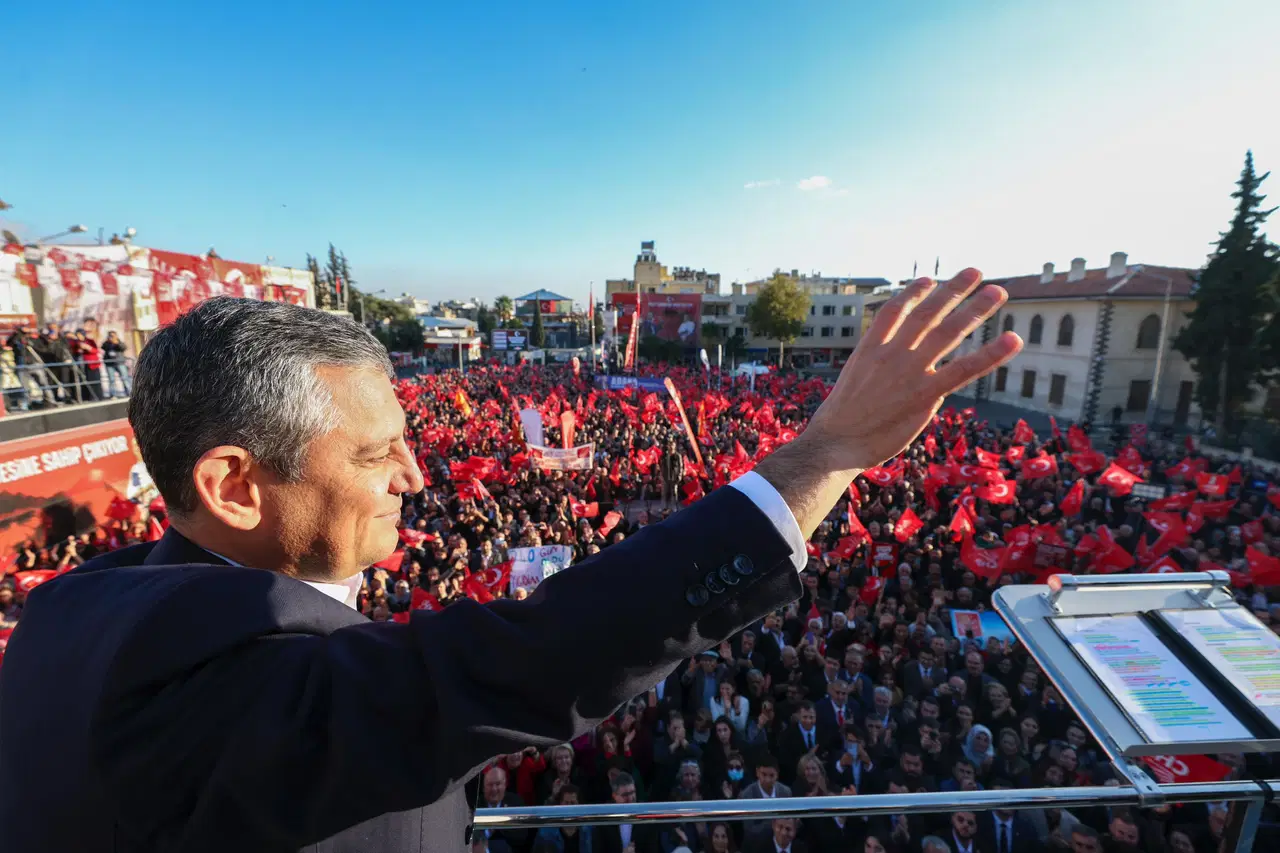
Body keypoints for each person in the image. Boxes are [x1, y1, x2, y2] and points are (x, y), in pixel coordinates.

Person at [0, 270, 1019, 852]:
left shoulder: (75, 609)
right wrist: (824, 453)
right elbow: (546, 650)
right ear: (233, 485)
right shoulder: (216, 679)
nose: (414, 474)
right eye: (374, 452)